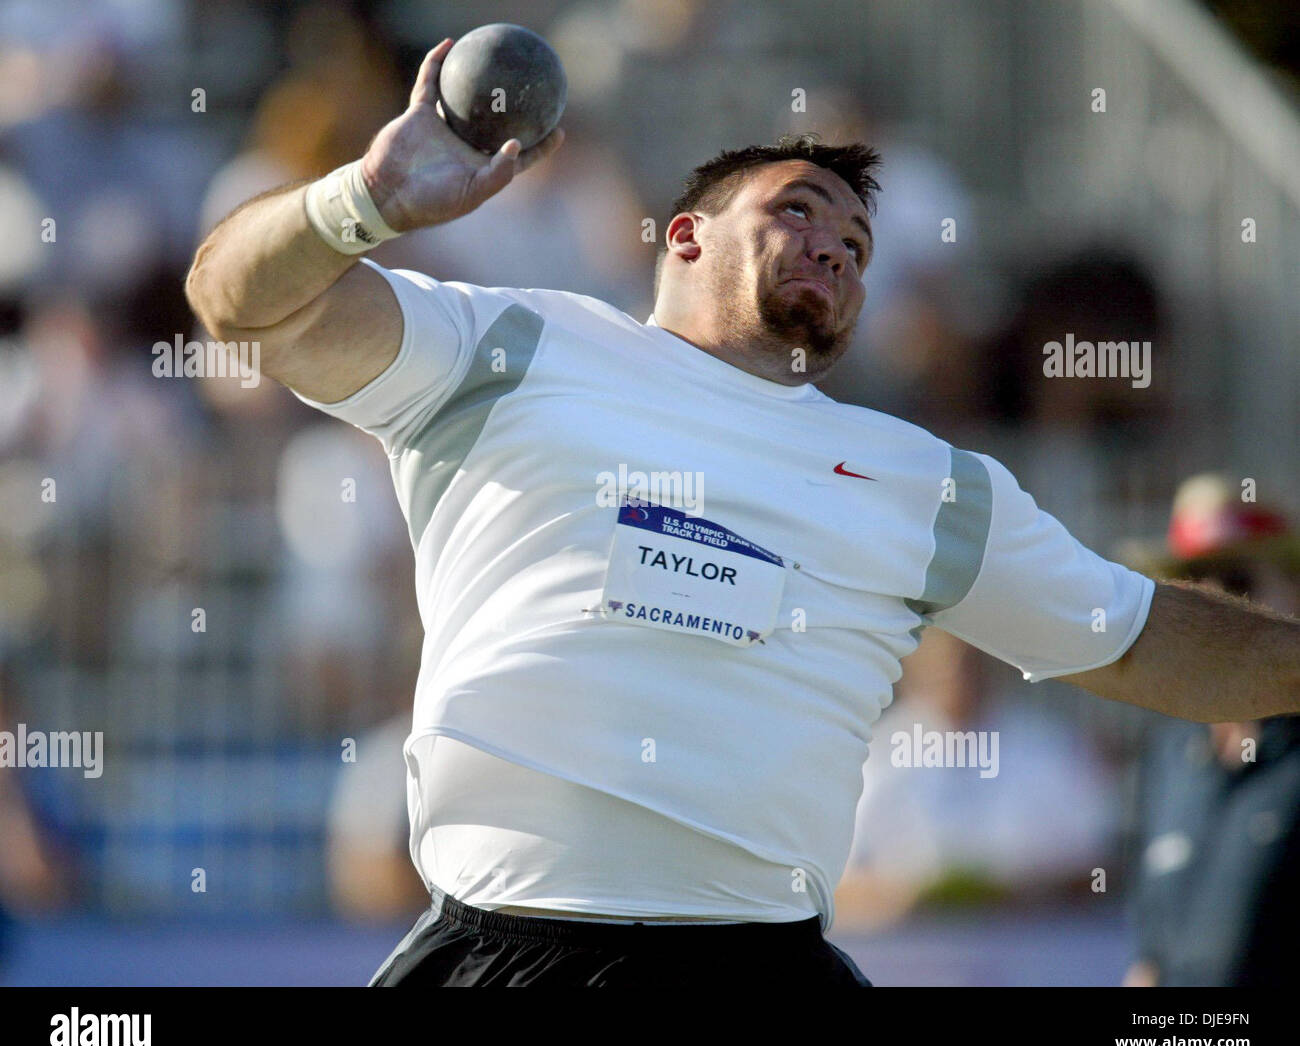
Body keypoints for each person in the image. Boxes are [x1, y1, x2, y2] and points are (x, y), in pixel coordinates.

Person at [185, 39, 1300, 987]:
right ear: (683, 237)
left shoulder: (925, 479)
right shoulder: (510, 344)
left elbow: (1148, 642)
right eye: (800, 210)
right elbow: (239, 308)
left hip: (761, 966)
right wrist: (365, 200)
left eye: (859, 248)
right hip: (501, 953)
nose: (836, 247)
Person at [1119, 473, 1300, 986]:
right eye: (1195, 587)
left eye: (1239, 580)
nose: (1215, 606)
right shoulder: (1171, 751)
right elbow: (1152, 953)